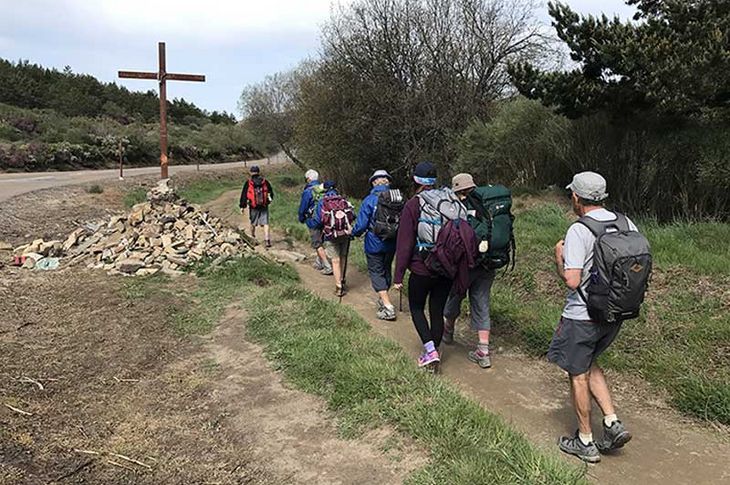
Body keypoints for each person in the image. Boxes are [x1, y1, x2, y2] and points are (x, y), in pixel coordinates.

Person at [550, 171, 636, 463]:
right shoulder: (625, 223)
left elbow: (572, 281)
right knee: (589, 362)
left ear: (577, 197)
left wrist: (560, 258)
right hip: (615, 314)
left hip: (582, 316)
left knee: (577, 374)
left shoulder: (579, 230)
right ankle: (612, 423)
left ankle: (584, 440)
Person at [393, 161, 454, 370]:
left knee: (417, 308)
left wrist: (398, 276)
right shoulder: (449, 200)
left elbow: (405, 243)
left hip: (422, 268)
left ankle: (430, 352)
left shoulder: (413, 204)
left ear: (416, 180)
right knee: (437, 310)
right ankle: (434, 349)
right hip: (447, 268)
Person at [442, 173, 496, 369]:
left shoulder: (460, 206)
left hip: (466, 264)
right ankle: (483, 350)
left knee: (455, 295)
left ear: (459, 190)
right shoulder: (489, 205)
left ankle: (447, 332)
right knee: (481, 301)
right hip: (489, 263)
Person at [352, 169, 399, 321]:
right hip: (392, 241)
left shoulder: (369, 200)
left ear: (373, 182)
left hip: (374, 243)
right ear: (388, 182)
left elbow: (361, 225)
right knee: (386, 268)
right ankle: (384, 297)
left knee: (376, 271)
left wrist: (353, 233)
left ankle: (387, 307)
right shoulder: (398, 199)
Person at [313, 180, 355, 297]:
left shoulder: (322, 202)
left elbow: (318, 220)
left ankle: (338, 287)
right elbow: (352, 215)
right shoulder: (344, 200)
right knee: (343, 257)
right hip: (345, 234)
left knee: (335, 260)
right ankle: (342, 279)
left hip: (330, 235)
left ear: (325, 190)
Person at [298, 169, 332, 275]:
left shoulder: (308, 191)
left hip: (313, 220)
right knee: (322, 241)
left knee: (317, 243)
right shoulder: (324, 189)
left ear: (308, 179)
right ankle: (319, 262)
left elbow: (303, 208)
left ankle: (327, 266)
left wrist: (301, 218)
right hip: (326, 219)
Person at [239, 165, 274, 248]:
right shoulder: (265, 182)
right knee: (265, 223)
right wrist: (269, 201)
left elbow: (244, 195)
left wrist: (242, 206)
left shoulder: (248, 183)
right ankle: (267, 240)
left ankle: (253, 237)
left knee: (253, 223)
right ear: (259, 172)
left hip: (253, 206)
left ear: (251, 172)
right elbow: (271, 192)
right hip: (264, 205)